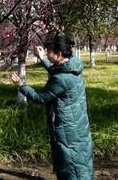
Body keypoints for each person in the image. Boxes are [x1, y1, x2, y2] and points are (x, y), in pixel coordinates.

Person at [11, 34, 93, 180]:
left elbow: (41, 98)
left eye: (49, 51)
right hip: (77, 124)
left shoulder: (61, 79)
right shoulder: (73, 66)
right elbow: (57, 71)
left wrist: (21, 86)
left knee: (70, 164)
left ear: (59, 54)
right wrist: (42, 59)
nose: (47, 54)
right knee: (81, 160)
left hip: (67, 128)